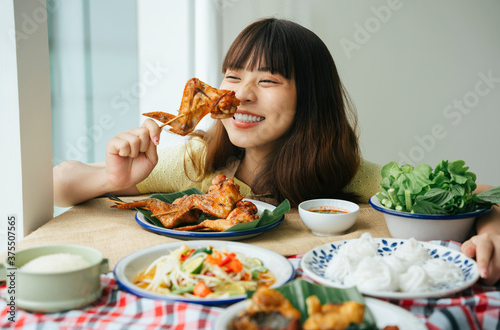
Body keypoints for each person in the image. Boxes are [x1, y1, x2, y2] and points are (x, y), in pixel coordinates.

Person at [53, 18, 500, 285]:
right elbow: (58, 181)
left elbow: (478, 193)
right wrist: (116, 179)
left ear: (310, 98)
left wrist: (493, 232)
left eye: (267, 81)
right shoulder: (196, 163)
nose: (241, 96)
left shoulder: (344, 175)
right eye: (232, 76)